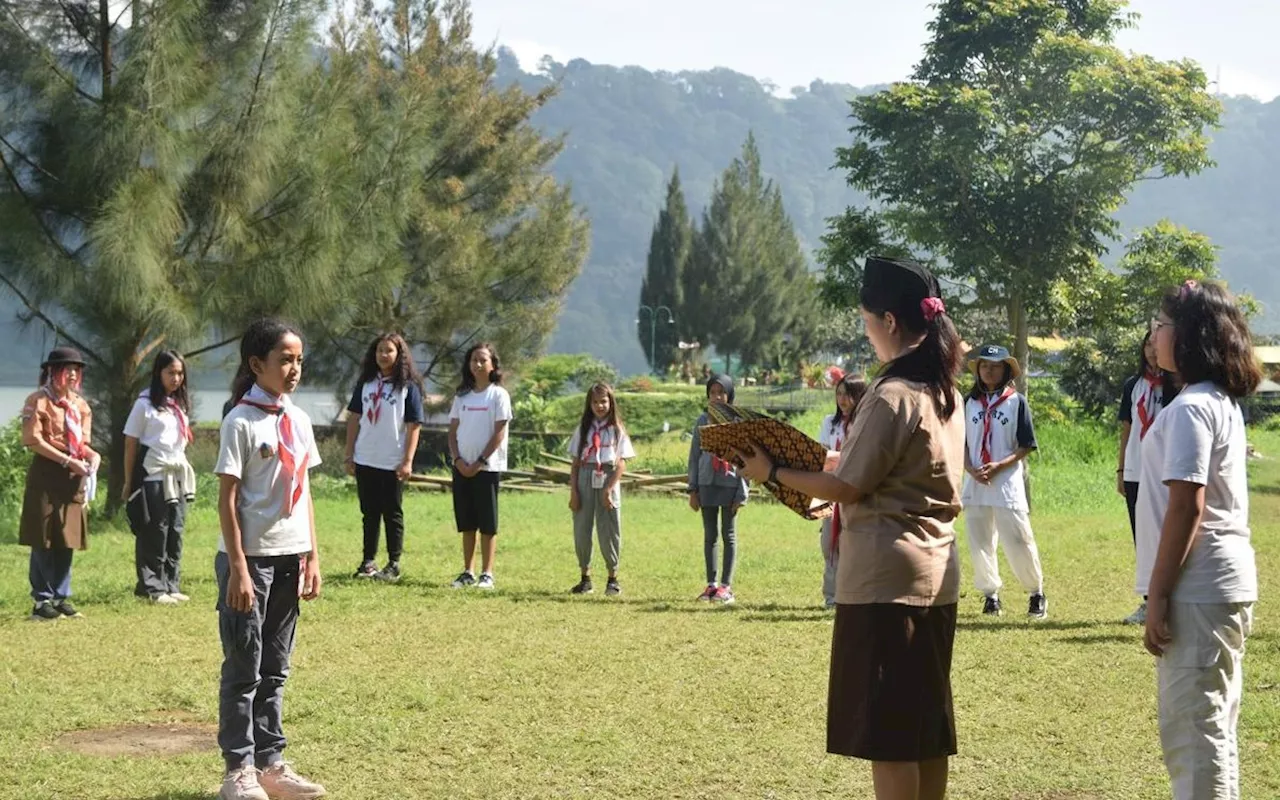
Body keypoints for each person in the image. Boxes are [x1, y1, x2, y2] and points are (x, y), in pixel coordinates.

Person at [735, 256, 965, 800]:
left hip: (886, 578)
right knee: (924, 728)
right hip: (938, 569)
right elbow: (900, 471)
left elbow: (847, 489)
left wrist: (772, 472)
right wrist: (836, 461)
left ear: (889, 321)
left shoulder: (891, 394)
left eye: (866, 321)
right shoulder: (944, 389)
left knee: (888, 737)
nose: (867, 333)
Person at [1138, 280, 1260, 800]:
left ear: (1187, 336)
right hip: (1222, 584)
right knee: (1213, 727)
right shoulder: (1216, 401)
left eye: (1160, 326)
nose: (1154, 336)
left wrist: (1158, 594)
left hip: (1198, 588)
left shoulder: (1191, 408)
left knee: (1194, 735)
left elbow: (1188, 505)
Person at [213, 319, 326, 800]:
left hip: (289, 559)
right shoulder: (241, 421)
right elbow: (228, 500)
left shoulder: (297, 420)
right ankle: (238, 769)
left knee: (276, 666)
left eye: (298, 359)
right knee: (245, 664)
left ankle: (271, 763)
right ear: (257, 365)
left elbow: (305, 496)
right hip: (250, 562)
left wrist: (312, 556)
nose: (294, 368)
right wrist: (238, 567)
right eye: (285, 359)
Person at [961, 344, 1047, 619]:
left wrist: (999, 465)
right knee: (980, 541)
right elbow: (959, 441)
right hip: (975, 482)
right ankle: (990, 595)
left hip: (1006, 482)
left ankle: (1036, 592)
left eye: (995, 365)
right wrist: (970, 468)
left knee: (1019, 539)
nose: (989, 370)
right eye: (984, 365)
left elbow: (1026, 445)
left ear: (1006, 370)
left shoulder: (1016, 401)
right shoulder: (968, 402)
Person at [20, 347, 101, 621]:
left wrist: (93, 457)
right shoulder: (38, 401)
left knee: (68, 537)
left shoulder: (80, 406)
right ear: (52, 372)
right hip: (46, 473)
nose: (73, 374)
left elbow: (83, 444)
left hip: (72, 478)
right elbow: (33, 441)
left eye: (77, 370)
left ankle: (60, 597)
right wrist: (67, 461)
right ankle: (41, 601)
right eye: (67, 369)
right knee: (43, 537)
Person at [343, 333, 425, 583]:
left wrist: (408, 460)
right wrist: (349, 453)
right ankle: (368, 561)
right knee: (369, 512)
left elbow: (414, 425)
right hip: (366, 457)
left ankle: (393, 563)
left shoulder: (408, 387)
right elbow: (354, 418)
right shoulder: (366, 383)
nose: (383, 355)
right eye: (379, 350)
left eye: (389, 350)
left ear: (399, 355)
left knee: (392, 512)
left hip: (392, 460)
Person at [123, 350, 196, 605]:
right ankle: (151, 586)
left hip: (176, 476)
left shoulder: (178, 405)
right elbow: (131, 443)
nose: (176, 378)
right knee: (156, 530)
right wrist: (129, 481)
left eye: (180, 373)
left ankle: (171, 583)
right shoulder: (144, 404)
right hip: (153, 475)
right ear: (158, 373)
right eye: (171, 373)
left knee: (175, 529)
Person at [1116, 331, 1179, 625]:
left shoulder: (1178, 385)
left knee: (1169, 534)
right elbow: (1127, 430)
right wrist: (1121, 469)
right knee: (1142, 537)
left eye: (1157, 344)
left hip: (1167, 471)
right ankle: (1148, 601)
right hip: (1135, 470)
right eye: (1148, 345)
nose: (1153, 350)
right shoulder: (1133, 385)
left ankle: (1173, 600)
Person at [448, 343, 512, 591]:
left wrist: (479, 462)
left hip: (487, 468)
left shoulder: (498, 395)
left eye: (483, 360)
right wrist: (458, 461)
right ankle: (468, 571)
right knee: (467, 522)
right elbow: (452, 431)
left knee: (487, 523)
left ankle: (487, 573)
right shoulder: (462, 395)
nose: (477, 364)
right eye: (473, 360)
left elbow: (499, 433)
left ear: (493, 365)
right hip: (462, 467)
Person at [567, 383, 636, 596]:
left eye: (604, 401)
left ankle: (612, 578)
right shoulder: (583, 428)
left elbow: (622, 462)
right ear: (589, 404)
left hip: (608, 477)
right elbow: (576, 462)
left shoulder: (617, 430)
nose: (600, 406)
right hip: (585, 477)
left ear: (611, 402)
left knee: (609, 529)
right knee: (582, 528)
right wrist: (574, 492)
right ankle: (585, 577)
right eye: (595, 402)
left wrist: (609, 489)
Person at [687, 373, 749, 604]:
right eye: (712, 392)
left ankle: (726, 586)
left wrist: (742, 492)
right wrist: (692, 489)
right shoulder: (702, 421)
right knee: (710, 536)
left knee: (728, 535)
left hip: (730, 483)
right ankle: (711, 585)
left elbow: (746, 459)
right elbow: (694, 456)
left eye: (721, 392)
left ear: (729, 395)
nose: (717, 397)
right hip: (706, 484)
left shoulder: (737, 422)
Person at [816, 374, 867, 608]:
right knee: (829, 543)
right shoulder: (829, 423)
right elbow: (822, 456)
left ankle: (854, 595)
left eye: (848, 394)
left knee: (854, 544)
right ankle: (831, 596)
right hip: (830, 492)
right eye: (839, 394)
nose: (842, 399)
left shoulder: (866, 424)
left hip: (856, 492)